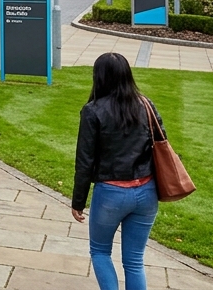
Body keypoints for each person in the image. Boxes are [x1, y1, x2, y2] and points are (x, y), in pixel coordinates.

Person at [72, 52, 167, 290]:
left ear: (99, 77)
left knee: (100, 251)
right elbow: (161, 141)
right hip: (146, 191)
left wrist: (78, 201)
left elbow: (84, 161)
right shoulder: (145, 104)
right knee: (134, 261)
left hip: (111, 193)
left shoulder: (92, 111)